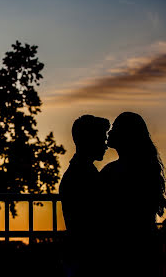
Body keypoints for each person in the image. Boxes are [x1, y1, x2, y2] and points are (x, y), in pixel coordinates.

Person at [99, 112, 166, 276]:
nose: (109, 132)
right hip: (145, 250)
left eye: (115, 128)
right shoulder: (144, 170)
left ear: (126, 135)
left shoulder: (113, 172)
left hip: (123, 253)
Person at [59, 114, 110, 276]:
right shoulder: (83, 175)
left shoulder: (80, 172)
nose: (105, 145)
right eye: (102, 139)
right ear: (90, 141)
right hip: (88, 260)